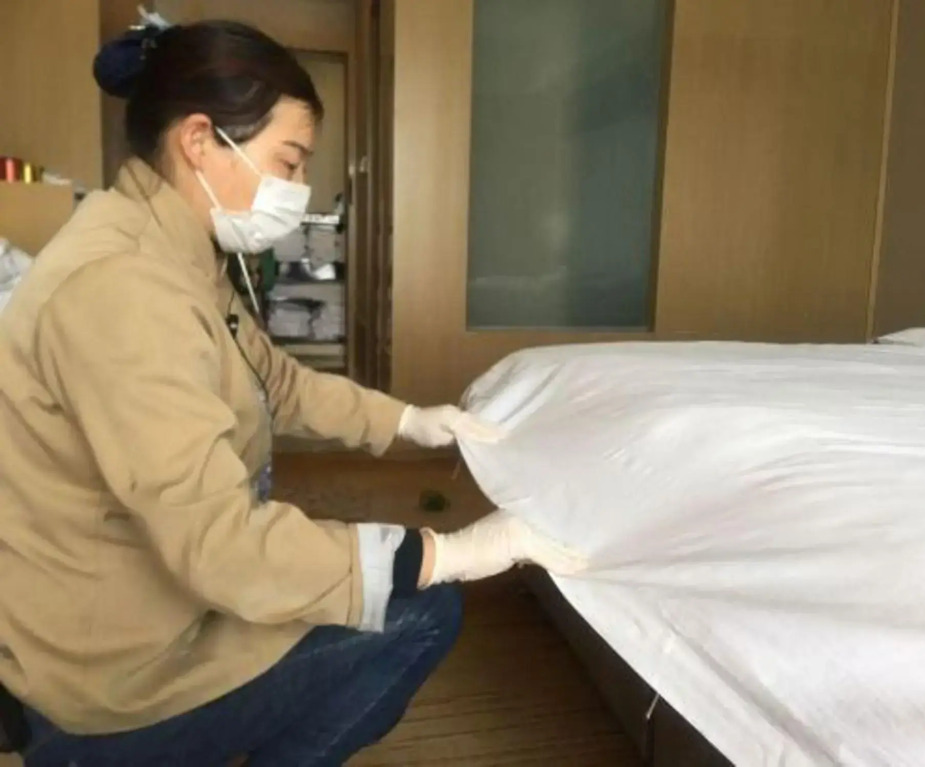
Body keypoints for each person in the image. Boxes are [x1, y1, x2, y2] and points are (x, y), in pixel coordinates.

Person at [0, 19, 584, 767]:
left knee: (376, 575)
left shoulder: (168, 246)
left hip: (150, 606)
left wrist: (409, 420)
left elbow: (274, 380)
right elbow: (222, 547)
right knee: (423, 609)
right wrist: (448, 550)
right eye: (289, 161)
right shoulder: (123, 289)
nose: (299, 190)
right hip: (114, 677)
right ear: (200, 140)